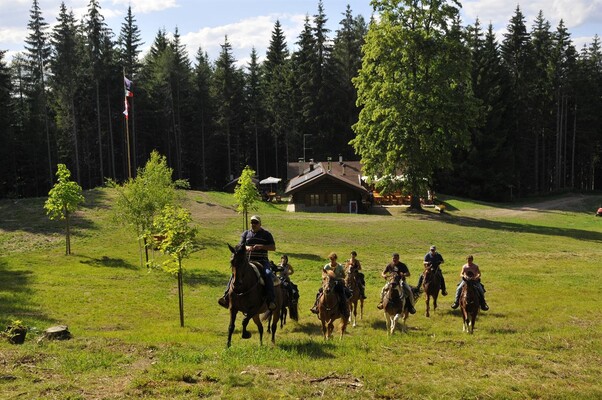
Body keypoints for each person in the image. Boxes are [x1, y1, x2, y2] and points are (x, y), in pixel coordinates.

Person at [218, 215, 277, 310]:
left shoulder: (266, 234)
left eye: (256, 222)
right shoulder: (246, 234)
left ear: (260, 224)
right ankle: (226, 297)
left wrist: (261, 246)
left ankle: (271, 300)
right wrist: (246, 248)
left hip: (262, 261)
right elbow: (239, 246)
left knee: (268, 274)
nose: (253, 224)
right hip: (248, 261)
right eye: (252, 222)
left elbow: (273, 247)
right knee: (235, 273)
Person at [310, 252, 350, 317]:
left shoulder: (339, 266)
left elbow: (343, 275)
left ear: (335, 259)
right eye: (330, 259)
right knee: (319, 292)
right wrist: (325, 278)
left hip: (337, 282)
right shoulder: (327, 266)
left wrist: (340, 279)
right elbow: (323, 275)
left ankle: (344, 309)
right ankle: (316, 307)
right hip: (328, 283)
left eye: (333, 259)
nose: (332, 261)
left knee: (342, 293)